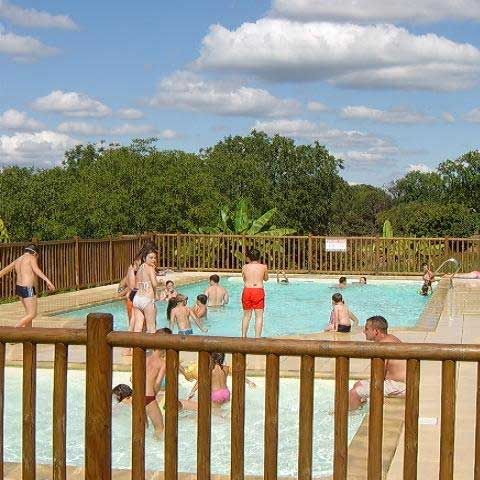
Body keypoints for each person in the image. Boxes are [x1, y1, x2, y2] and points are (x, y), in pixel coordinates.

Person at [349, 316, 406, 411]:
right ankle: (358, 410)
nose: (364, 332)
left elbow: (378, 375)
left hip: (399, 386)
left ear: (376, 331)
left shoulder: (382, 345)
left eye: (367, 329)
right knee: (357, 384)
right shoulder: (390, 338)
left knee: (354, 393)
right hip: (399, 383)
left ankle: (350, 415)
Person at [0, 244, 55, 327]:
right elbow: (36, 269)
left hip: (19, 288)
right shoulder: (31, 257)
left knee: (28, 314)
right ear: (35, 253)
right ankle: (14, 330)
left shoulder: (18, 259)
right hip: (27, 288)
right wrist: (48, 281)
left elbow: (3, 271)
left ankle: (28, 334)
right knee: (32, 314)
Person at [187, 352, 255, 406]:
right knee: (224, 412)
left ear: (211, 358)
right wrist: (249, 382)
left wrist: (192, 391)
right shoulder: (226, 368)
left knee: (216, 413)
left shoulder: (210, 369)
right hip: (226, 393)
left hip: (215, 394)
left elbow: (200, 381)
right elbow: (238, 376)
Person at [145, 329, 172, 439]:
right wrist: (154, 398)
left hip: (136, 395)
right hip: (149, 397)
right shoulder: (162, 363)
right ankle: (155, 447)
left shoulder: (144, 357)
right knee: (160, 428)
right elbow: (157, 384)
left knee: (143, 426)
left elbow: (132, 378)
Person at [241, 248, 268, 338]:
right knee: (259, 316)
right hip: (258, 290)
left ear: (249, 257)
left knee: (246, 316)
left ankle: (243, 336)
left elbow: (244, 279)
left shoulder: (245, 267)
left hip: (247, 290)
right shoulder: (263, 267)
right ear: (259, 257)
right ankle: (257, 337)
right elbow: (266, 279)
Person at [132, 249, 160, 334]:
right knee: (151, 328)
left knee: (138, 327)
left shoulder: (140, 268)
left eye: (155, 258)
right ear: (144, 258)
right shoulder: (150, 268)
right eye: (151, 258)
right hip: (147, 299)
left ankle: (134, 342)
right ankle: (151, 343)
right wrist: (160, 282)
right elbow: (154, 284)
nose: (153, 260)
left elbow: (136, 285)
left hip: (137, 298)